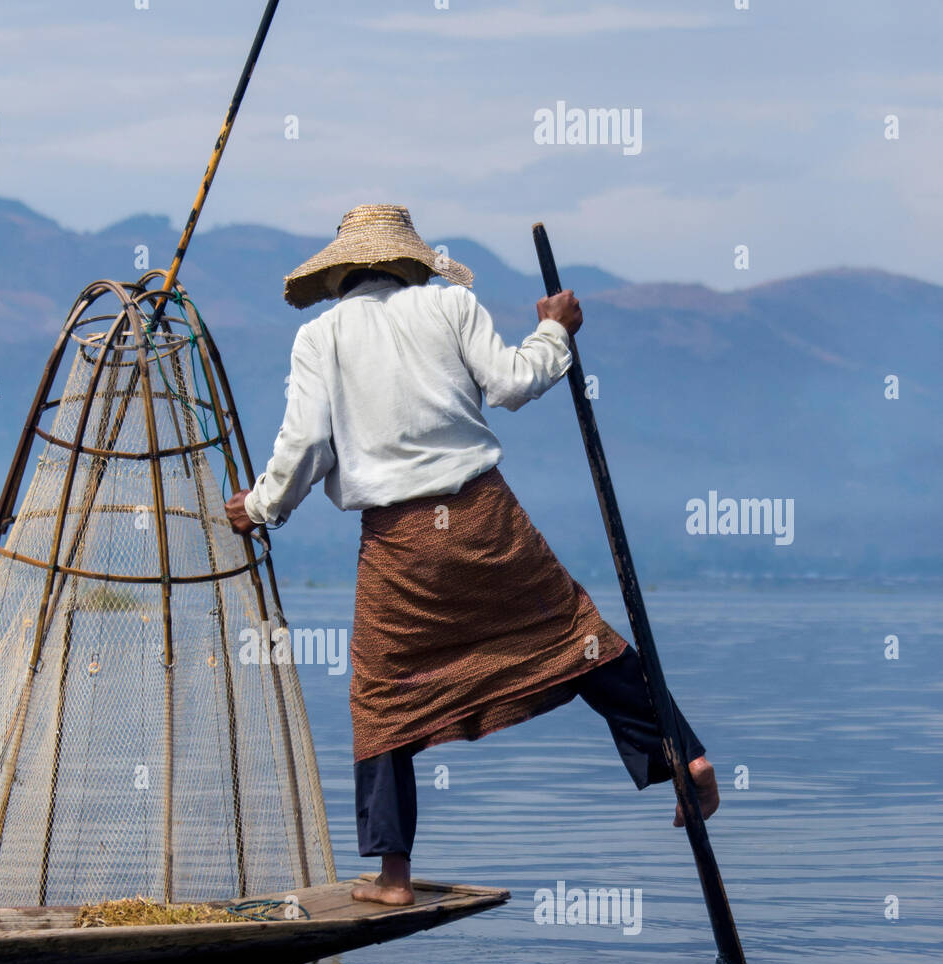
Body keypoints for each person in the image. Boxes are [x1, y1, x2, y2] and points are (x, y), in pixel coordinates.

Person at [225, 204, 718, 906]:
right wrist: (555, 329)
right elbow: (515, 383)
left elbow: (305, 447)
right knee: (576, 638)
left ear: (340, 276)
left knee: (383, 692)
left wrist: (259, 507)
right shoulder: (450, 306)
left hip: (401, 545)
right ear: (406, 264)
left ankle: (392, 876)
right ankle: (684, 755)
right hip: (487, 519)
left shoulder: (321, 337)